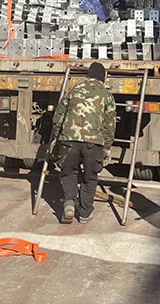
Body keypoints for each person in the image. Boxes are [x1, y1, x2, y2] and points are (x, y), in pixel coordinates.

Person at [52, 62, 116, 224]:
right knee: (90, 177)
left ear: (88, 76)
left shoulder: (73, 90)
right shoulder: (106, 95)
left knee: (68, 172)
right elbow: (110, 125)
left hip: (69, 140)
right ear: (103, 78)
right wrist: (106, 147)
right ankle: (85, 213)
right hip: (93, 143)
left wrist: (56, 139)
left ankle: (69, 202)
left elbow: (58, 118)